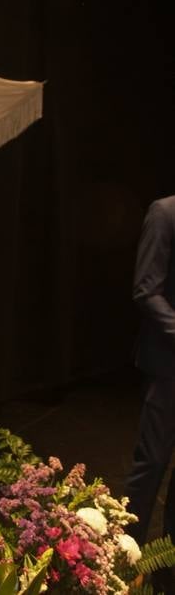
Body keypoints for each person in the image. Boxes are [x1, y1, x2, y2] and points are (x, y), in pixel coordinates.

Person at [124, 195, 175, 549]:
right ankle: (126, 560)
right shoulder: (165, 212)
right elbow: (146, 289)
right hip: (168, 366)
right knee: (152, 464)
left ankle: (166, 564)